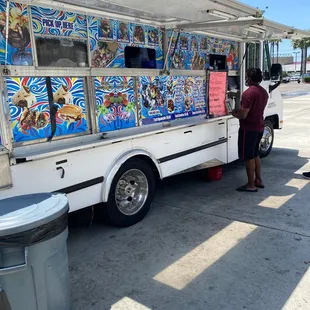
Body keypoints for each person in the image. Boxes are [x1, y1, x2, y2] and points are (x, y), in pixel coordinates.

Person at [232, 68, 269, 192]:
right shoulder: (264, 92)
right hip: (259, 127)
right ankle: (258, 180)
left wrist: (234, 113)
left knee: (248, 157)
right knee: (255, 154)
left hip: (248, 128)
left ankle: (250, 185)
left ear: (250, 77)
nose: (245, 78)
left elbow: (244, 115)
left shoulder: (249, 93)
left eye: (247, 76)